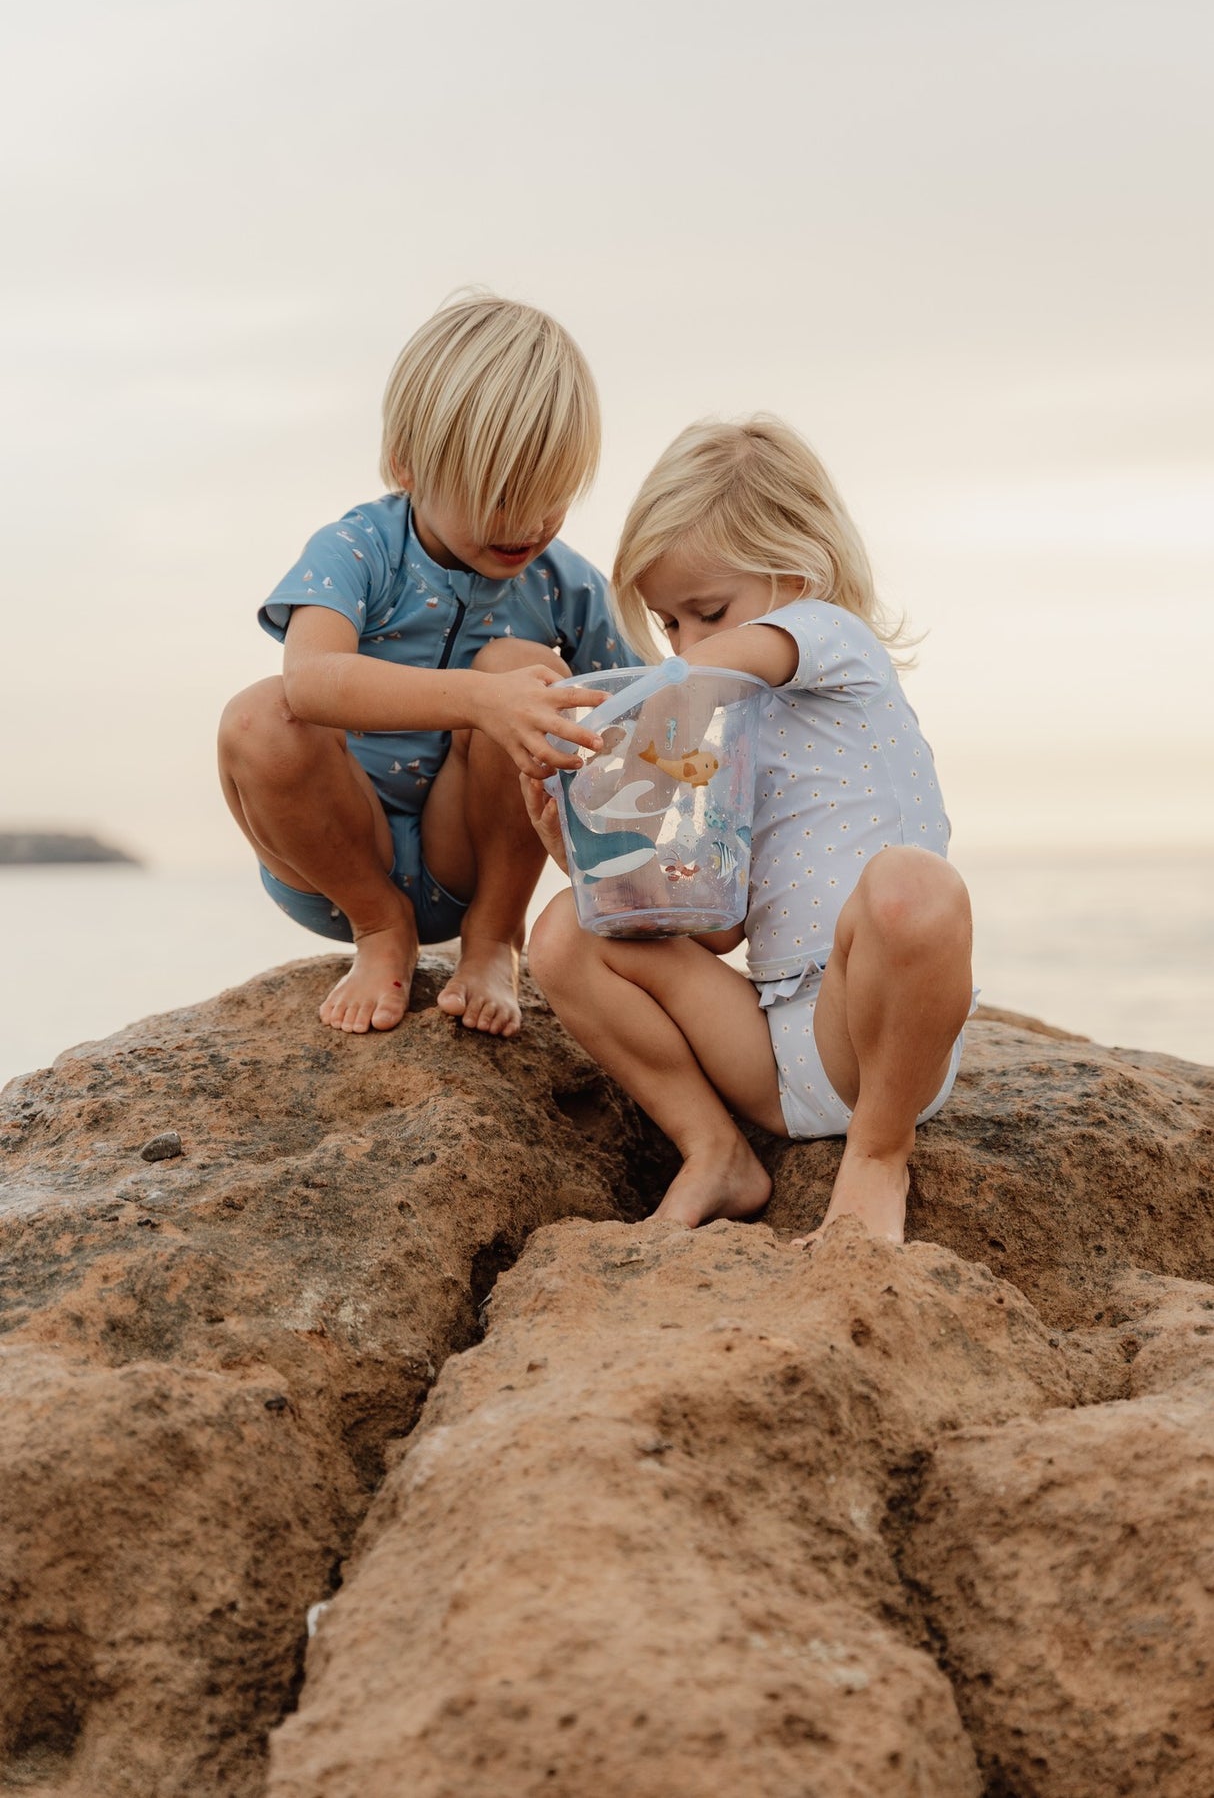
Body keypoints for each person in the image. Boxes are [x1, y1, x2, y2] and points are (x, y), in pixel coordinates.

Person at [523, 416, 974, 1246]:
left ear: (797, 572)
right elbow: (718, 922)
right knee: (564, 934)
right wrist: (576, 847)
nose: (687, 644)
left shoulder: (831, 637)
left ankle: (877, 1158)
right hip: (773, 1057)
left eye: (709, 611)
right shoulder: (739, 733)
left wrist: (619, 751)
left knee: (914, 888)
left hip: (872, 1040)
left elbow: (709, 673)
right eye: (669, 625)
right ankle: (718, 1150)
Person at [219, 294, 637, 1040]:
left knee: (530, 671)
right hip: (338, 861)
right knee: (256, 718)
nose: (526, 523)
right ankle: (382, 931)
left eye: (553, 495)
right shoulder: (360, 549)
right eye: (501, 494)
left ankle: (494, 942)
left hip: (471, 856)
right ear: (407, 465)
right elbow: (311, 680)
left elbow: (638, 711)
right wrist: (478, 698)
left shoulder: (564, 584)